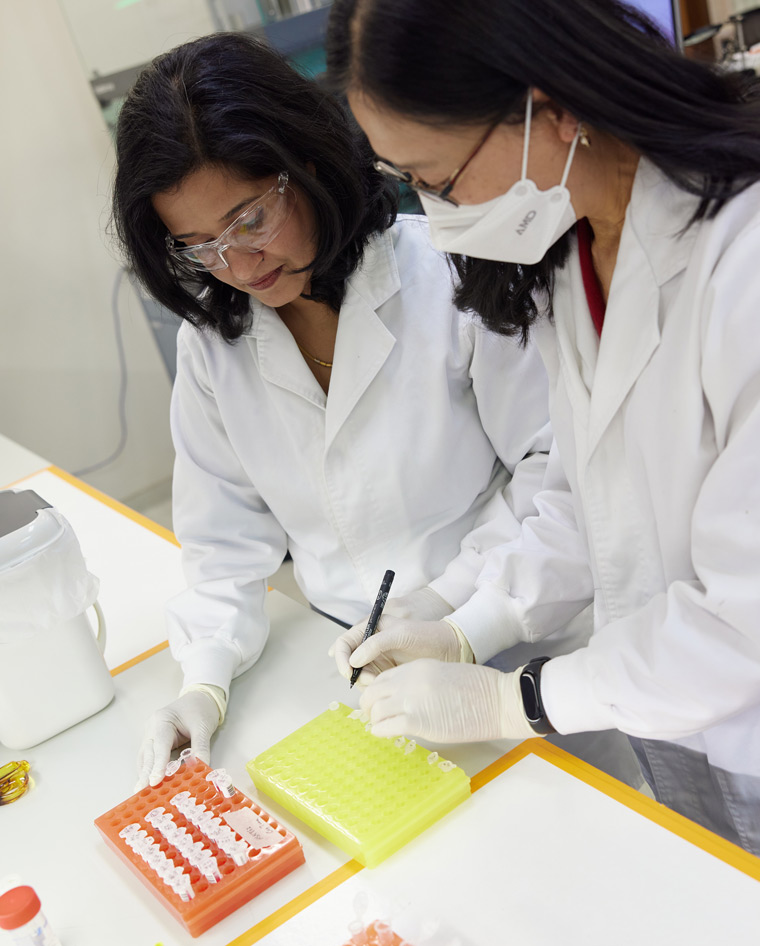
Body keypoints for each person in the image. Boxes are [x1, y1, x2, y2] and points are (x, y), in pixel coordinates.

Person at [325, 0, 760, 903]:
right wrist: (465, 629)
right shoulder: (578, 241)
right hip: (667, 719)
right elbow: (583, 498)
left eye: (437, 177)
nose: (431, 209)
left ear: (550, 109)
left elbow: (751, 621)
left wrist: (516, 701)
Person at [111, 32, 555, 791]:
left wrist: (451, 615)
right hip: (350, 666)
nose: (238, 266)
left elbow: (552, 473)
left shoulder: (447, 275)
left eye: (250, 221)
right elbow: (224, 545)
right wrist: (205, 681)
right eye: (198, 246)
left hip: (512, 637)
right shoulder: (214, 345)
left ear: (308, 164)